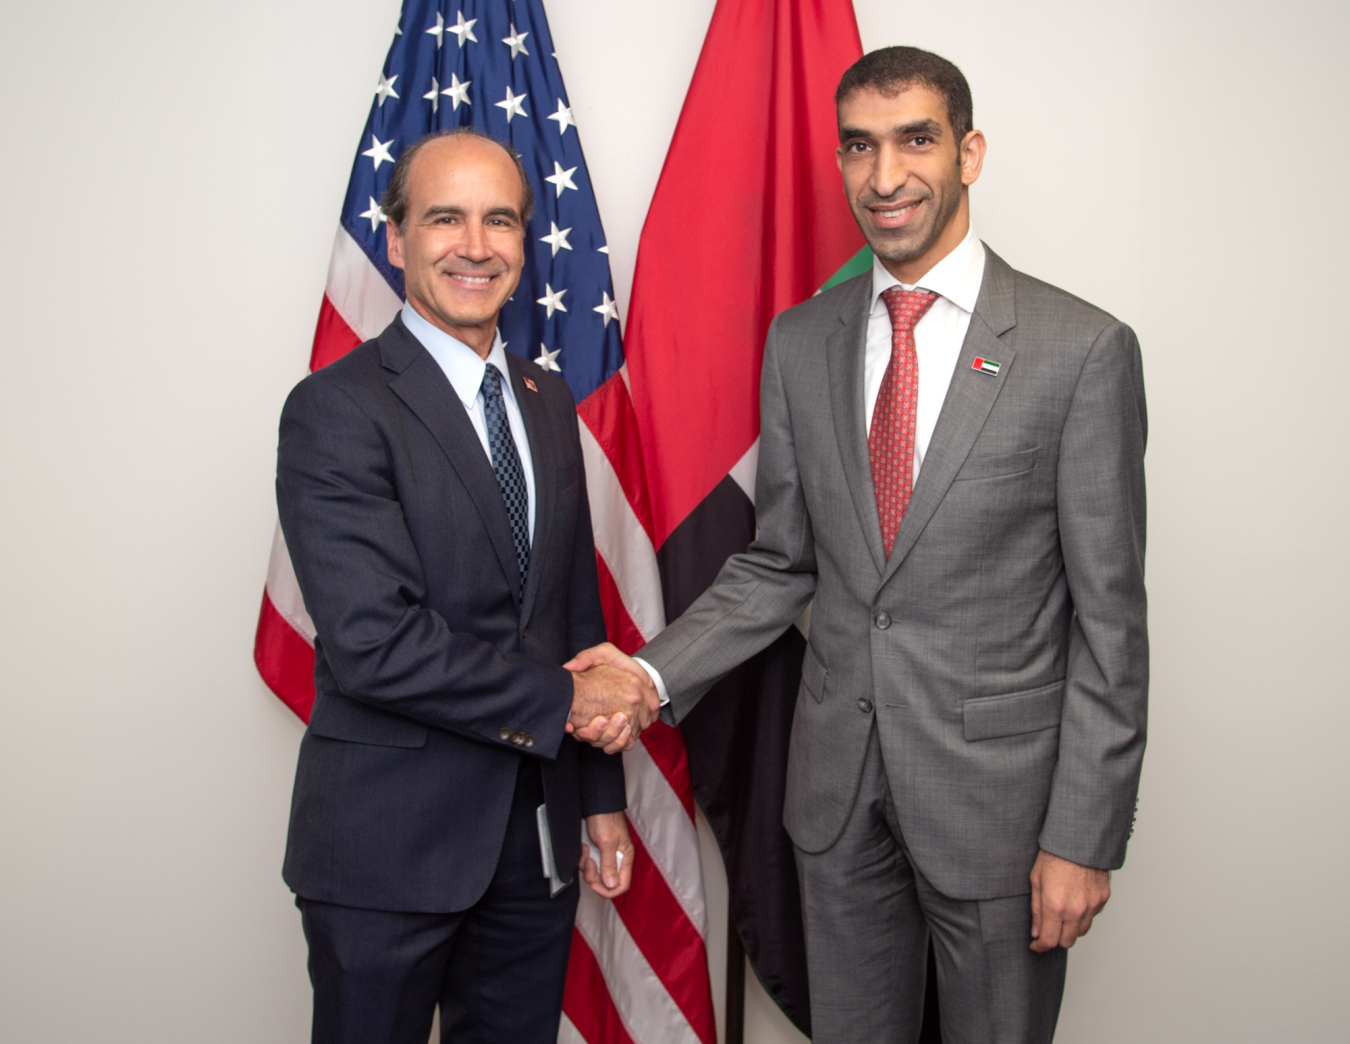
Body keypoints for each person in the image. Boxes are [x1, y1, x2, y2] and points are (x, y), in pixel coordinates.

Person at [570, 46, 1148, 1043]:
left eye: (915, 140)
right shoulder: (801, 341)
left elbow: (1111, 623)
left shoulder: (1080, 351)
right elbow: (780, 560)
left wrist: (1083, 836)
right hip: (836, 796)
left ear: (969, 151)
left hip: (1000, 816)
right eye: (860, 147)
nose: (885, 177)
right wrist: (648, 679)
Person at [276, 128, 660, 1044]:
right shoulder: (335, 408)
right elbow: (375, 645)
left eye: (500, 221)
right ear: (397, 234)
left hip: (532, 849)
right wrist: (575, 699)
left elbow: (570, 612)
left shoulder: (546, 399)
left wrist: (599, 794)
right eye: (445, 217)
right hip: (386, 853)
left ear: (527, 245)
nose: (475, 245)